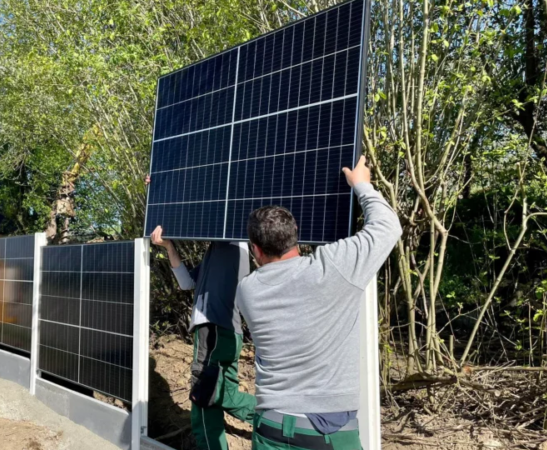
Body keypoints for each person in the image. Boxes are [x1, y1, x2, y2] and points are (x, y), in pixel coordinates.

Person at [236, 156, 402, 450]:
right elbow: (388, 227)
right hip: (326, 433)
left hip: (269, 427)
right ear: (295, 238)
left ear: (256, 250)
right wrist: (362, 185)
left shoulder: (247, 291)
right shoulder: (332, 269)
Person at [146, 175, 256, 450]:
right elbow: (187, 282)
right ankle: (278, 419)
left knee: (203, 397)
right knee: (226, 394)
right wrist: (169, 246)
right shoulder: (214, 250)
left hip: (214, 331)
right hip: (222, 333)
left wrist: (164, 192)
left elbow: (204, 205)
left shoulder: (234, 242)